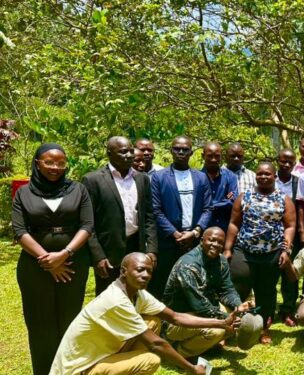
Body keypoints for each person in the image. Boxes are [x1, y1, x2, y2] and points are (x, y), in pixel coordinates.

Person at [50, 253, 238, 375]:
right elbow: (156, 344)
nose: (146, 275)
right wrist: (191, 369)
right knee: (151, 359)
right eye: (140, 270)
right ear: (124, 272)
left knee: (152, 322)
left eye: (149, 271)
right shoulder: (116, 301)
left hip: (100, 355)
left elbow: (175, 317)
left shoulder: (137, 293)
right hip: (79, 370)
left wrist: (221, 323)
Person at [11, 143, 94, 375]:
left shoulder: (78, 190)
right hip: (34, 267)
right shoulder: (23, 193)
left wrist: (64, 255)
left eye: (60, 163)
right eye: (49, 162)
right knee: (40, 324)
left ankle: (67, 370)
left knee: (69, 321)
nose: (55, 167)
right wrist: (46, 260)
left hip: (73, 264)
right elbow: (19, 231)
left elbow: (87, 225)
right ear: (37, 163)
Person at [224, 162, 296, 344]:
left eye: (267, 174)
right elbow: (234, 223)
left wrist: (286, 250)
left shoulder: (283, 199)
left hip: (271, 253)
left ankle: (263, 328)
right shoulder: (244, 196)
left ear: (275, 177)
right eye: (260, 174)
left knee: (266, 291)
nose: (263, 177)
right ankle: (228, 327)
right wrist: (227, 248)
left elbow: (290, 226)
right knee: (238, 286)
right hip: (245, 250)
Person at [164, 227, 261, 356]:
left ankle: (204, 345)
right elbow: (200, 306)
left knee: (235, 315)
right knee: (218, 330)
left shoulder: (221, 261)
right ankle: (178, 352)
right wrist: (227, 319)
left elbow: (226, 290)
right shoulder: (188, 266)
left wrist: (238, 306)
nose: (216, 245)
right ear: (202, 241)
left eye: (220, 242)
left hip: (203, 309)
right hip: (178, 319)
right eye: (212, 240)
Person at [83, 136, 158, 295]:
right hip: (108, 251)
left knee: (136, 294)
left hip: (135, 246)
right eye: (123, 152)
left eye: (131, 151)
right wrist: (98, 256)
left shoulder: (142, 178)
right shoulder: (93, 180)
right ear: (109, 154)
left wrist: (151, 249)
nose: (129, 155)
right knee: (108, 296)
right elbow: (87, 223)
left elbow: (149, 217)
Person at [150, 136, 213, 299]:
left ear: (191, 153)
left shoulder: (201, 177)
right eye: (177, 148)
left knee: (193, 281)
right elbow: (156, 210)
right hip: (169, 240)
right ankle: (162, 319)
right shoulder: (159, 177)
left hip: (194, 241)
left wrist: (195, 232)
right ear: (171, 151)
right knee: (164, 281)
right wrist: (176, 234)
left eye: (185, 149)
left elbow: (208, 208)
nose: (180, 152)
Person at [275, 148, 303, 327]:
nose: (286, 164)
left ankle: (288, 309)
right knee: (270, 274)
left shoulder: (298, 182)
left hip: (291, 234)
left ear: (294, 164)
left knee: (290, 273)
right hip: (269, 234)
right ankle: (268, 309)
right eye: (283, 161)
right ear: (277, 160)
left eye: (290, 162)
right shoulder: (268, 179)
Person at [201, 142, 238, 232]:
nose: (213, 159)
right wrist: (222, 202)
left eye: (217, 156)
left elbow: (232, 200)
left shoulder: (231, 177)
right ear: (203, 156)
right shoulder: (197, 177)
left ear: (221, 156)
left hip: (224, 228)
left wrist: (208, 206)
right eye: (210, 156)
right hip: (202, 228)